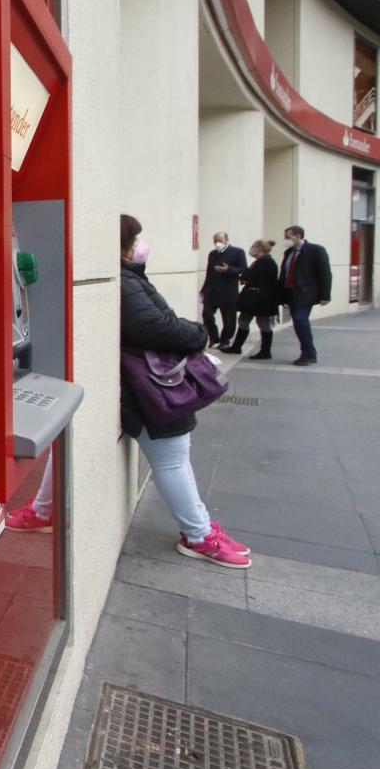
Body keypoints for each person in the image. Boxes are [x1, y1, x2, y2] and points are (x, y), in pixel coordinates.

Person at [118, 214, 250, 568]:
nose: (140, 246)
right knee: (173, 460)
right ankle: (198, 535)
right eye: (134, 241)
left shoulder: (129, 278)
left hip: (150, 384)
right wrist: (198, 333)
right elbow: (154, 325)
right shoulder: (124, 282)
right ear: (122, 247)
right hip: (149, 388)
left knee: (175, 458)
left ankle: (201, 528)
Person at [279, 225, 331, 366]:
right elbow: (284, 274)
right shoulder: (289, 252)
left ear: (298, 236)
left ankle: (308, 354)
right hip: (290, 293)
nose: (285, 240)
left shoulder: (315, 250)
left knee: (300, 320)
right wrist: (281, 295)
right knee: (298, 323)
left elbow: (325, 273)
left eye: (288, 237)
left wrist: (325, 295)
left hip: (305, 293)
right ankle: (309, 353)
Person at [219, 239, 279, 359]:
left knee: (263, 323)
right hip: (253, 298)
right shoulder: (259, 262)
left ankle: (265, 351)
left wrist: (244, 277)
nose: (252, 249)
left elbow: (249, 276)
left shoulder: (266, 262)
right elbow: (247, 275)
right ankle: (236, 347)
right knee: (244, 320)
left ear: (260, 249)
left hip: (262, 299)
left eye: (254, 247)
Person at [200, 231, 247, 350]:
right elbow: (209, 272)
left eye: (220, 241)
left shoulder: (237, 252)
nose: (217, 243)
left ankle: (225, 340)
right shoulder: (212, 254)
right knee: (207, 314)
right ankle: (214, 338)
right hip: (212, 290)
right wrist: (204, 289)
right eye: (215, 241)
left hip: (228, 291)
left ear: (226, 240)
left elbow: (243, 269)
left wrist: (228, 269)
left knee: (229, 318)